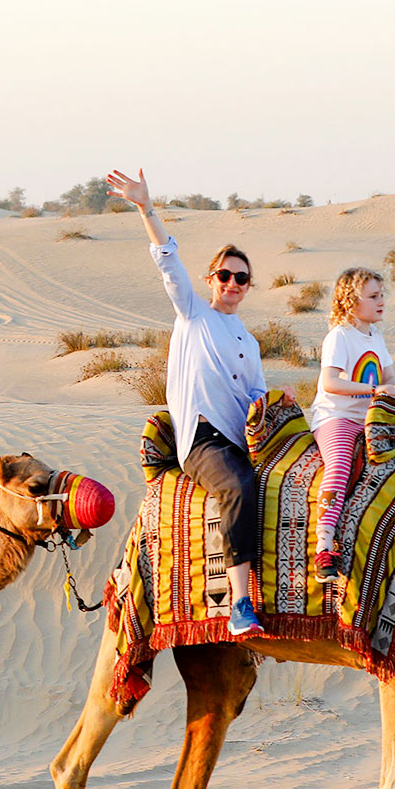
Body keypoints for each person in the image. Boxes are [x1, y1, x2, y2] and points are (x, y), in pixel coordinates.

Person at [107, 168, 267, 635]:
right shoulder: (194, 314)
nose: (233, 283)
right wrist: (146, 208)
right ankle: (240, 603)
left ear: (248, 285)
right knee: (237, 487)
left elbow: (256, 394)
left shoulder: (250, 342)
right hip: (203, 441)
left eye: (241, 277)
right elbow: (168, 261)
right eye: (225, 275)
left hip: (240, 438)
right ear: (211, 279)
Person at [309, 268, 395, 582]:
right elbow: (330, 382)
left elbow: (389, 374)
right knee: (339, 464)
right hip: (336, 416)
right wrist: (375, 389)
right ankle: (324, 545)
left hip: (370, 418)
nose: (381, 302)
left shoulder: (375, 336)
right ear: (352, 302)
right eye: (373, 296)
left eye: (382, 295)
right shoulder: (339, 336)